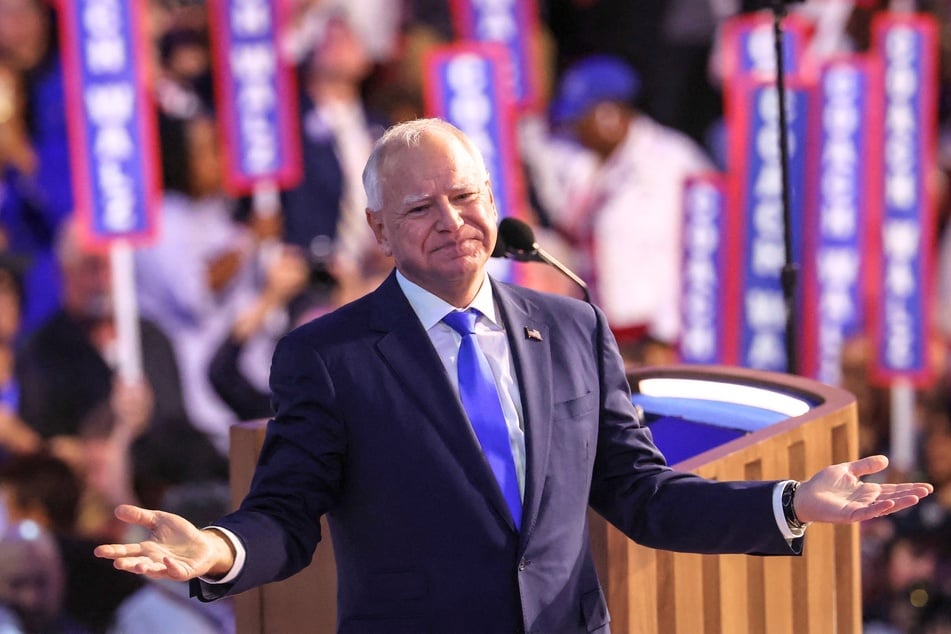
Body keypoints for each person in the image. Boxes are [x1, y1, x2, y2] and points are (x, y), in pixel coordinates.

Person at [95, 118, 934, 633]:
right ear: (381, 231)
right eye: (420, 209)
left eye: (465, 197)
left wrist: (790, 502)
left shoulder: (571, 326)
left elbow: (640, 494)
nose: (453, 222)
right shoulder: (329, 355)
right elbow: (287, 514)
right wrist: (217, 550)